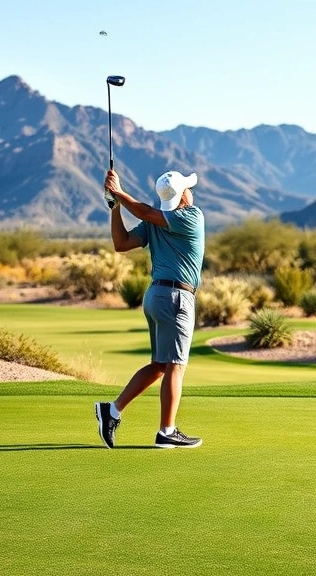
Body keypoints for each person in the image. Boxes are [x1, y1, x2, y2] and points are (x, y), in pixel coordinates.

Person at [94, 168, 205, 449]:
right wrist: (116, 202)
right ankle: (166, 431)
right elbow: (125, 240)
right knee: (175, 366)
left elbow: (122, 242)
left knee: (159, 365)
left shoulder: (157, 220)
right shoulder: (192, 216)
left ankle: (112, 411)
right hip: (176, 298)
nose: (191, 192)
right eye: (187, 189)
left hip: (156, 296)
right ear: (182, 196)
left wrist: (117, 203)